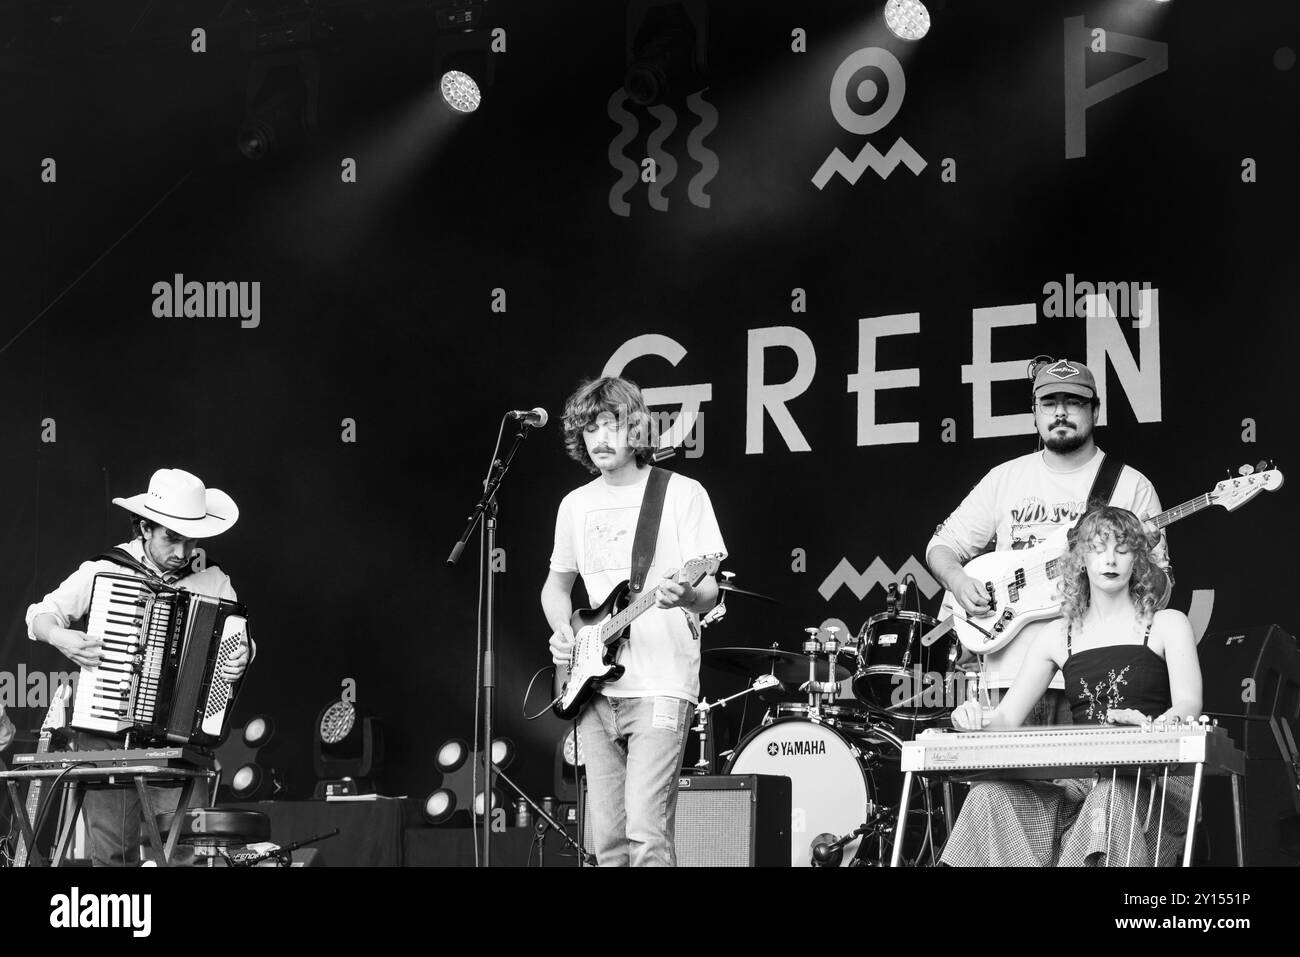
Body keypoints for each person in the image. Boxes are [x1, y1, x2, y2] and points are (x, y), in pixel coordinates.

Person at [940, 505, 1202, 867]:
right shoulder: (1055, 636)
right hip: (1084, 783)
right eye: (1098, 549)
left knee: (1111, 793)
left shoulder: (1168, 623)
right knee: (990, 795)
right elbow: (1004, 720)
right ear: (1079, 558)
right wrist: (973, 719)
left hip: (1154, 782)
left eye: (1122, 549)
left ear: (1138, 559)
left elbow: (1189, 705)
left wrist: (1148, 730)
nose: (1110, 559)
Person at [541, 376, 726, 866]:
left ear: (636, 429)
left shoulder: (683, 494)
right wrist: (565, 633)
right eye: (589, 429)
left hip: (662, 684)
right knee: (608, 844)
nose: (600, 439)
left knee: (647, 834)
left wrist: (688, 594)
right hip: (593, 690)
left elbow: (709, 591)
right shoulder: (574, 505)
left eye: (610, 425)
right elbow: (556, 588)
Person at [25, 468, 249, 866]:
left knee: (187, 853)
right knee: (112, 855)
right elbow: (42, 614)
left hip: (178, 744)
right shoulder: (105, 569)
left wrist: (243, 654)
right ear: (145, 527)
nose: (182, 551)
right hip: (106, 737)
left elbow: (240, 643)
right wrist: (61, 638)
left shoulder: (213, 581)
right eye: (171, 538)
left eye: (189, 539)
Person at [926, 358, 1170, 723]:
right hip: (1007, 676)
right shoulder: (1004, 478)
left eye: (1073, 402)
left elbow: (1161, 592)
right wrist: (959, 582)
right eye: (1049, 403)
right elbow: (942, 546)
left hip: (1092, 676)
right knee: (1002, 783)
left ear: (1095, 410)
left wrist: (1142, 560)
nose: (1060, 413)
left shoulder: (1130, 485)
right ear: (1035, 413)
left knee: (1086, 782)